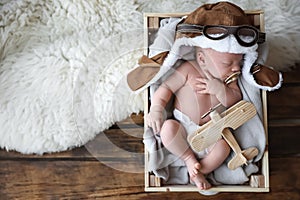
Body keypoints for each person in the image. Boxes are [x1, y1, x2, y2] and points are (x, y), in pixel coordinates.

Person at [146, 47, 244, 190]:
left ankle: (200, 172)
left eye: (240, 63)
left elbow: (235, 100)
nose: (236, 68)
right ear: (202, 59)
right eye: (227, 63)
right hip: (182, 127)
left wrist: (219, 89)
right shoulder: (189, 69)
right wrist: (156, 107)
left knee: (223, 148)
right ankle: (188, 159)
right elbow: (166, 87)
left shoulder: (229, 81)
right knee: (167, 129)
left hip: (210, 132)